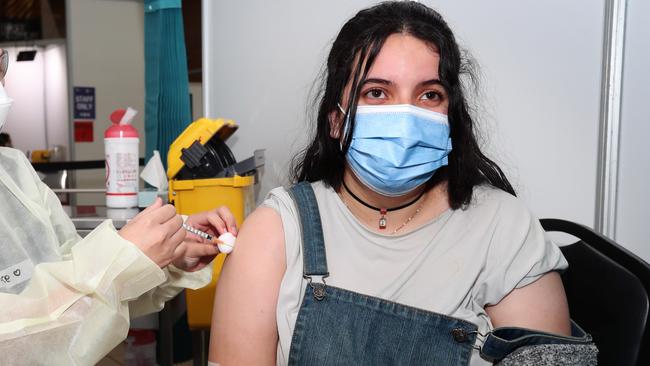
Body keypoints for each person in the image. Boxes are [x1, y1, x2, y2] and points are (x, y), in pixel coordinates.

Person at [209, 2, 596, 365]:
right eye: (376, 93)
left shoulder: (504, 229)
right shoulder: (277, 232)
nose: (406, 118)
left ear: (451, 115)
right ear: (336, 120)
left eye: (430, 95)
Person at [0, 48, 238, 364]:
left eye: (0, 61)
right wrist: (119, 257)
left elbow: (81, 288)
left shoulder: (13, 171)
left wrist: (166, 256)